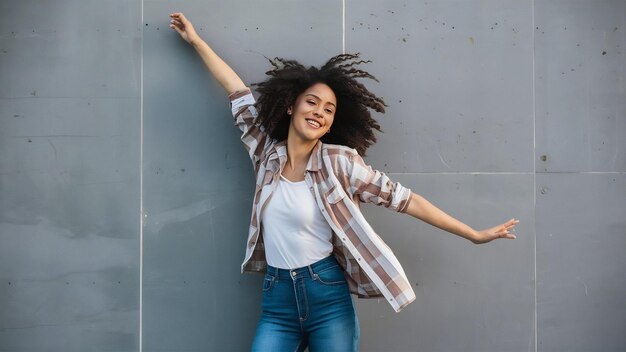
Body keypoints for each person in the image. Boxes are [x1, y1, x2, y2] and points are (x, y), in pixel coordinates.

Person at [168, 12, 519, 352]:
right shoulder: (266, 155)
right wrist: (197, 41)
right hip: (277, 300)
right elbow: (238, 92)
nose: (319, 112)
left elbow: (405, 200)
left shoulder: (339, 162)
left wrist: (473, 234)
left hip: (327, 296)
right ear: (291, 106)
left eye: (329, 109)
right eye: (312, 102)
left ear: (331, 122)